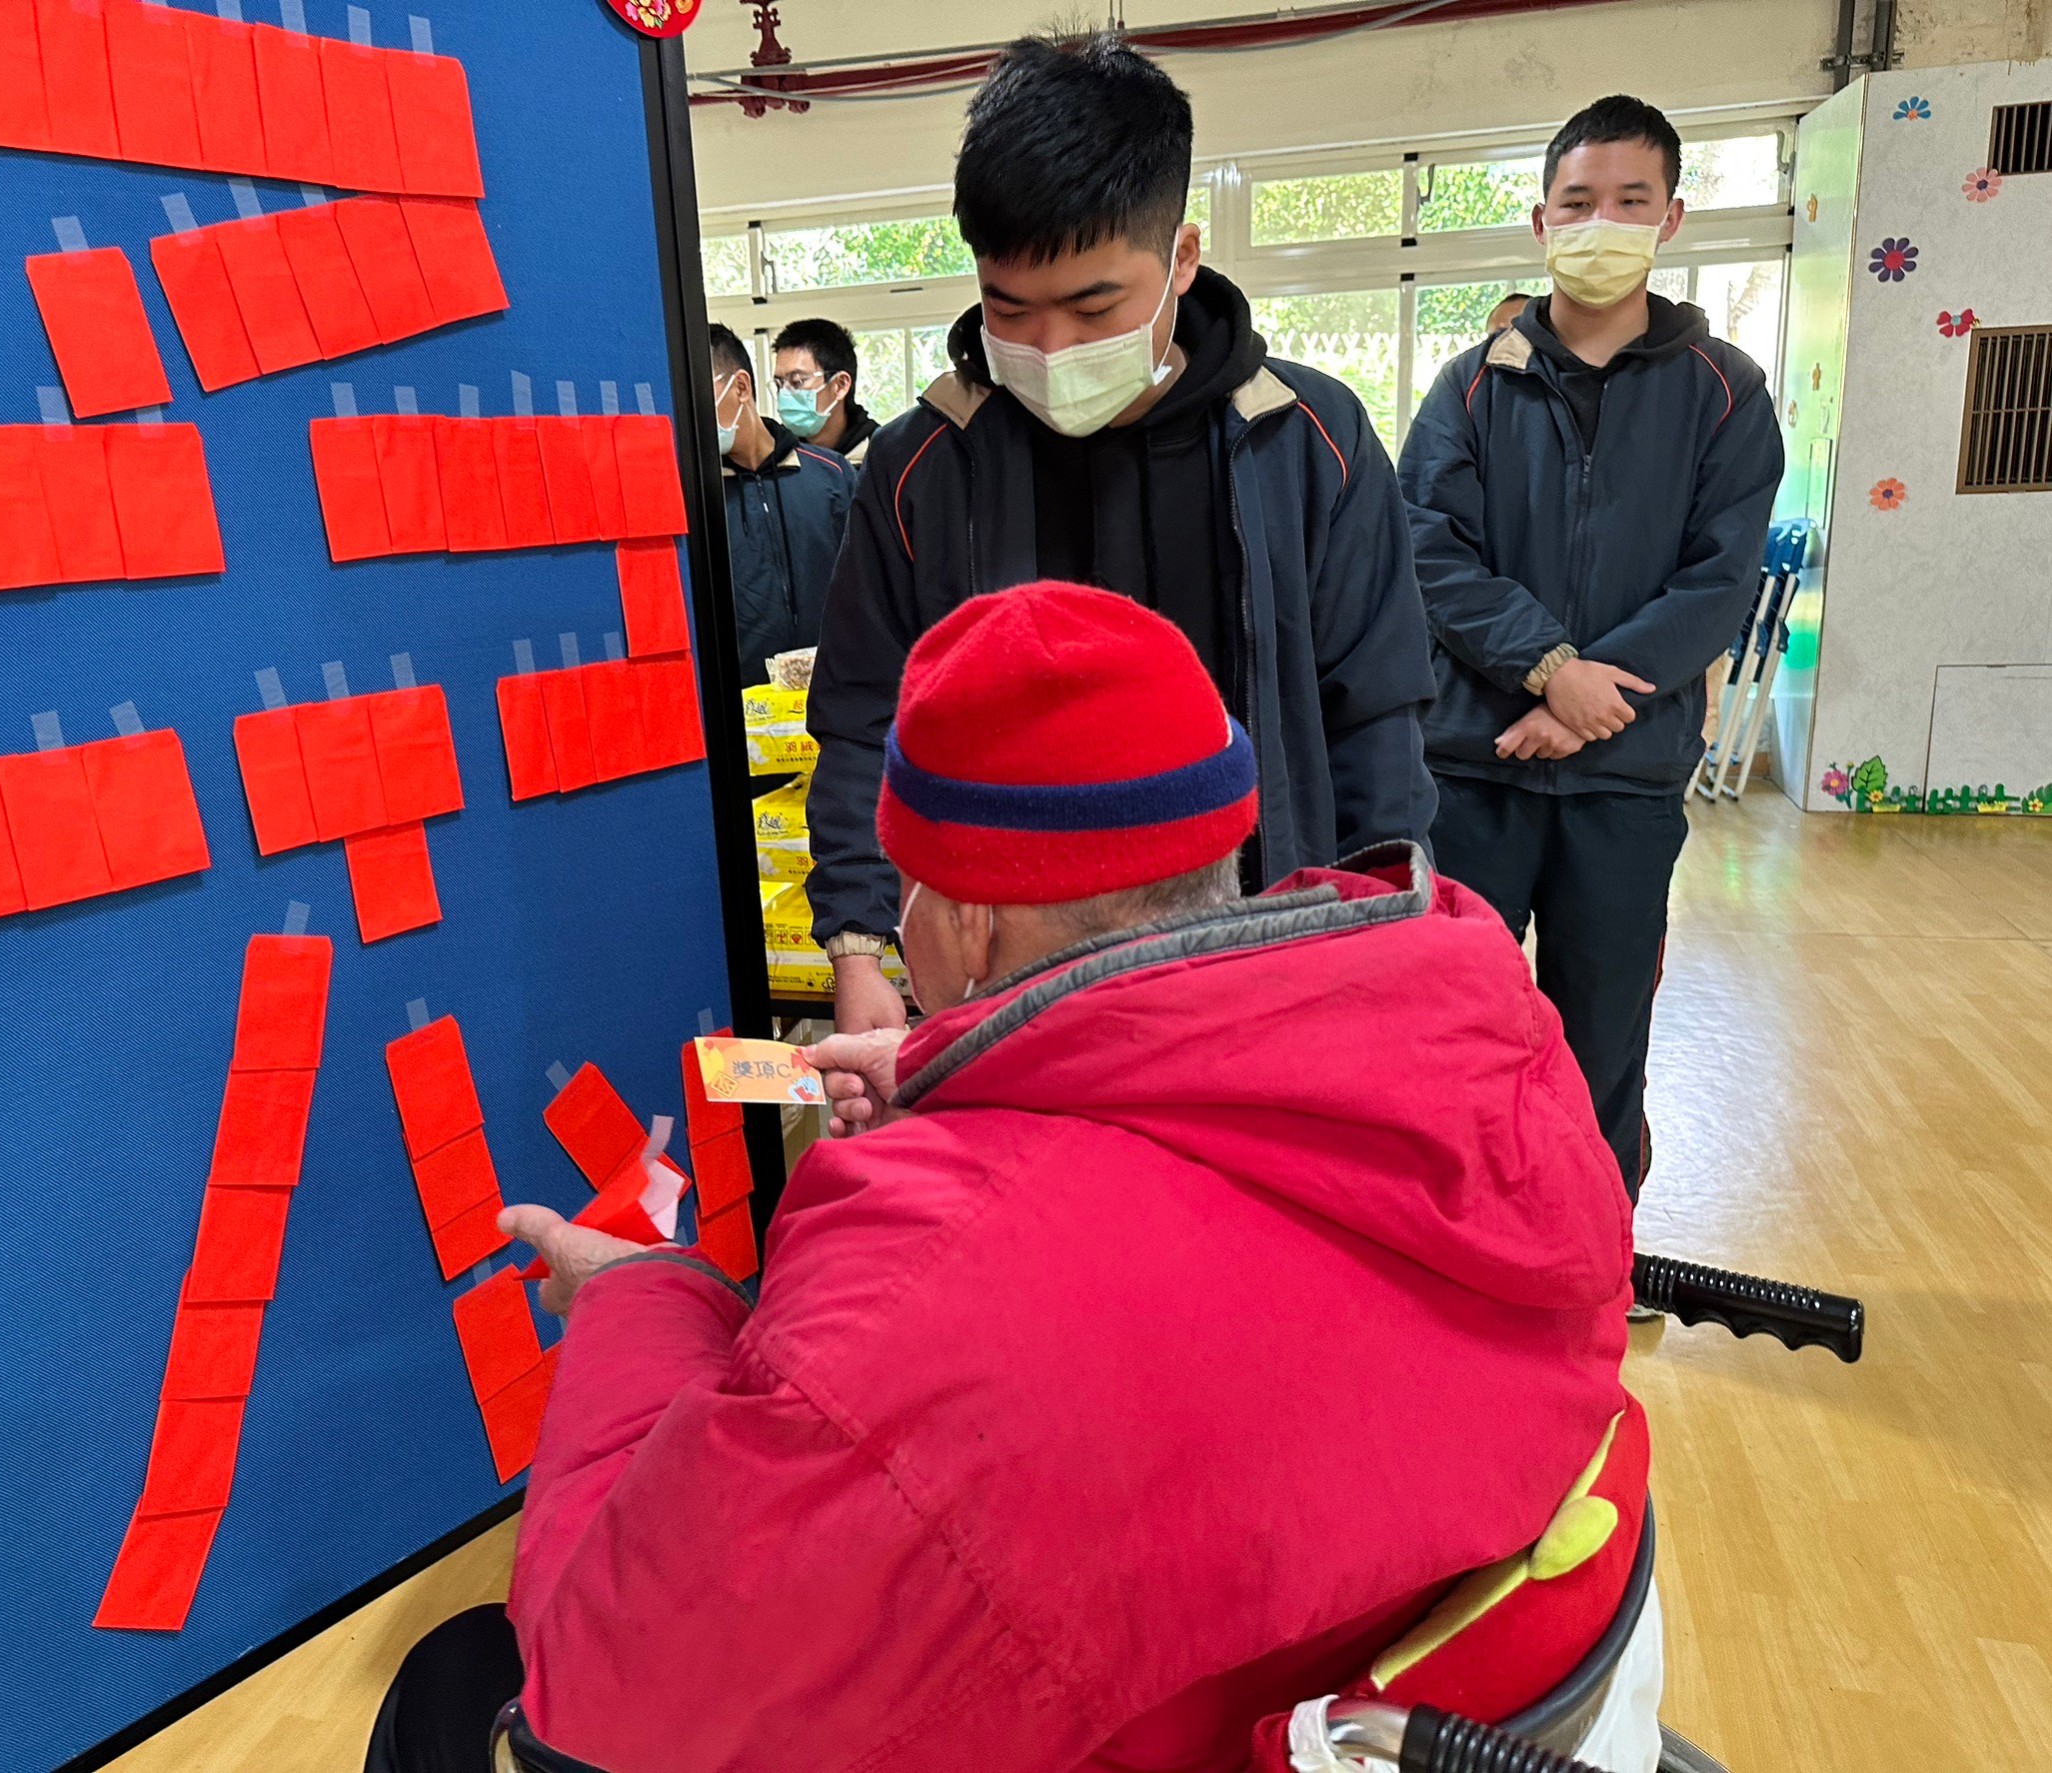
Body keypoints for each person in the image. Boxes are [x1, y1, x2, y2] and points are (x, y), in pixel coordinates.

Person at [365, 584, 1644, 1773]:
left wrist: (640, 1301)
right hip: (1354, 1676)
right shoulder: (1484, 1038)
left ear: (967, 923)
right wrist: (978, 1077)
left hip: (1134, 1732)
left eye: (903, 889)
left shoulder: (916, 1303)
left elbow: (618, 1701)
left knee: (457, 1683)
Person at [804, 32, 1438, 1034]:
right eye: (1010, 308)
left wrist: (1381, 932)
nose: (1049, 347)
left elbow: (1375, 716)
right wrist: (857, 944)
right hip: (1005, 994)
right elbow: (862, 721)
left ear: (1181, 258)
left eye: (1092, 306)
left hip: (1263, 961)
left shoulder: (1308, 440)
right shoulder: (924, 465)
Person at [1398, 95, 1785, 1199]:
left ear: (1671, 218)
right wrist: (1549, 669)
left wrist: (1586, 700)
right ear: (1540, 221)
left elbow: (1718, 580)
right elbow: (1426, 548)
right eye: (1577, 202)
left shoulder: (1727, 393)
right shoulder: (1472, 385)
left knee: (1602, 1039)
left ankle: (1593, 1247)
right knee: (1456, 1031)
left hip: (1626, 776)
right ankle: (1460, 1237)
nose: (1600, 223)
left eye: (1629, 200)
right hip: (1477, 767)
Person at [710, 322, 855, 683]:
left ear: (741, 387)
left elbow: (870, 585)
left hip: (837, 687)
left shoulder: (831, 474)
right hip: (746, 699)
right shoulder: (698, 496)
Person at [770, 317, 881, 464]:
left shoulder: (883, 454)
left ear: (840, 385)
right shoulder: (778, 458)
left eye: (797, 381)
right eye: (779, 384)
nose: (784, 393)